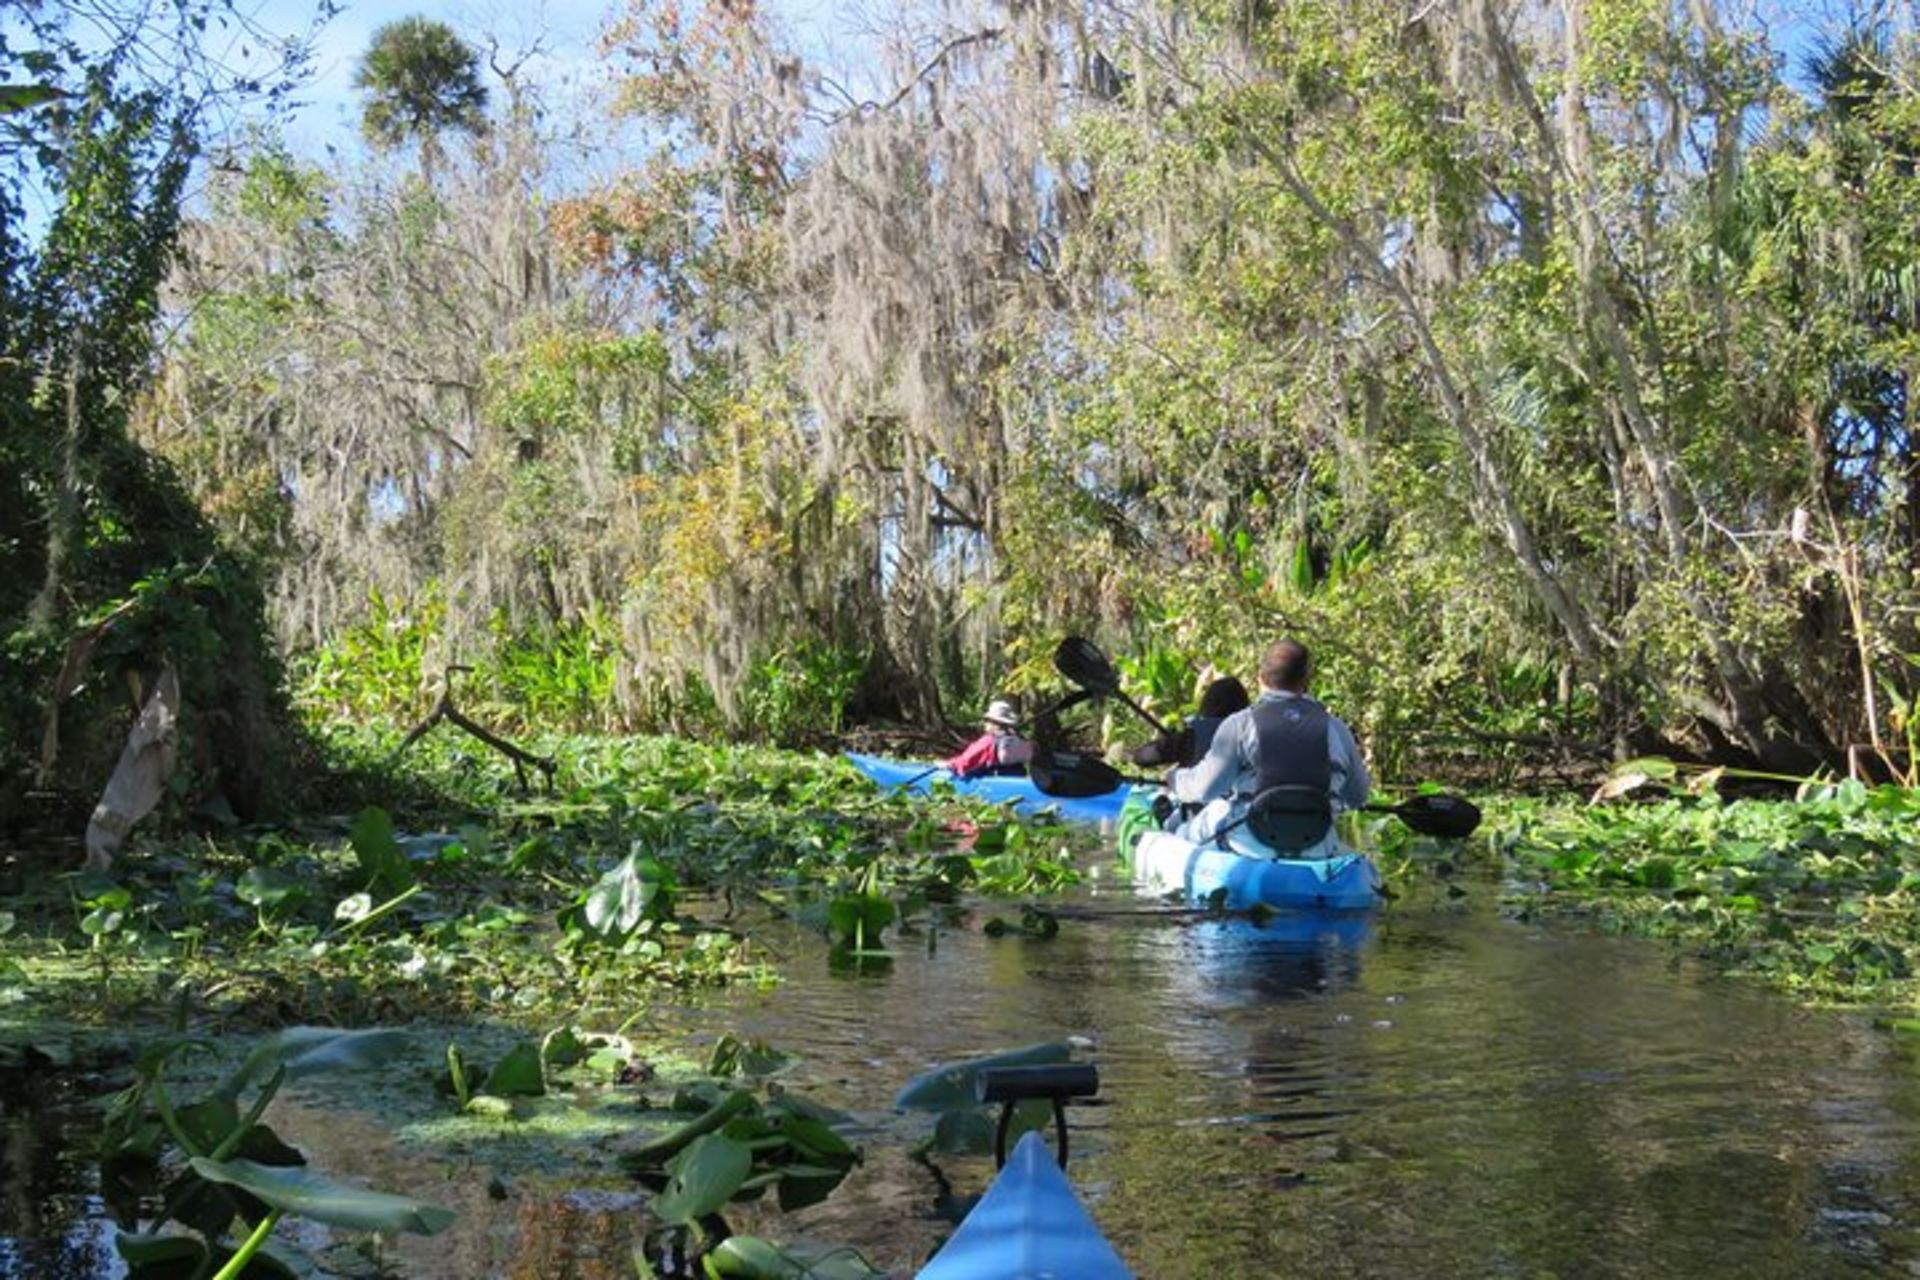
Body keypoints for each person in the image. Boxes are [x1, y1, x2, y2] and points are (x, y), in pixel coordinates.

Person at [1165, 640, 1369, 850]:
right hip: (1317, 847)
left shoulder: (1240, 724)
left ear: (1260, 679)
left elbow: (1204, 789)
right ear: (1306, 681)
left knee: (1208, 813)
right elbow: (1357, 797)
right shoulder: (1337, 728)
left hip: (1249, 846)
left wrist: (1174, 779)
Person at [1129, 675, 1251, 769]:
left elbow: (1144, 757)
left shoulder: (1191, 733)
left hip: (1202, 797)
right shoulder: (1255, 728)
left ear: (1208, 702)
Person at [946, 699, 1035, 778]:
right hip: (1017, 777)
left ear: (993, 722)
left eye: (987, 720)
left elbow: (965, 762)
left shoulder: (988, 741)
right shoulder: (1017, 739)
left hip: (994, 781)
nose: (985, 723)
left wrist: (948, 764)